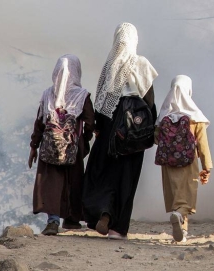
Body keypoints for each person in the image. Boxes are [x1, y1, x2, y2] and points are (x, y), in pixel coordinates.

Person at [82, 22, 158, 240]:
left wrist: (98, 128)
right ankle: (118, 229)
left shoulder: (109, 66)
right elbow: (149, 102)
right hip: (133, 127)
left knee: (103, 172)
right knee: (127, 177)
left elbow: (102, 102)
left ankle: (103, 211)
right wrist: (149, 131)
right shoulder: (142, 63)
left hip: (109, 126)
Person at [28, 54, 95, 235]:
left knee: (52, 184)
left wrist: (34, 146)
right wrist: (83, 141)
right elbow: (90, 122)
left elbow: (40, 122)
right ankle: (71, 219)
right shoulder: (82, 96)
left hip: (49, 148)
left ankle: (52, 221)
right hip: (73, 147)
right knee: (73, 182)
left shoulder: (47, 94)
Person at [155, 75, 212, 242]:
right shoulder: (195, 117)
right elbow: (203, 145)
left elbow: (156, 139)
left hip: (168, 165)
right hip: (189, 163)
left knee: (176, 196)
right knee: (187, 197)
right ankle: (179, 216)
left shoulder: (164, 115)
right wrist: (206, 167)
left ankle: (182, 229)